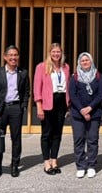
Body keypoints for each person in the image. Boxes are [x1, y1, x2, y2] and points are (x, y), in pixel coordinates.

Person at [0, 45, 30, 179]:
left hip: (16, 109)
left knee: (16, 139)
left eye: (15, 55)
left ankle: (14, 165)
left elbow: (26, 92)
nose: (13, 57)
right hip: (1, 110)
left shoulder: (23, 73)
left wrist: (23, 106)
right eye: (10, 55)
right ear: (5, 57)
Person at [33, 43, 70, 175]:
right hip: (48, 103)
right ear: (49, 53)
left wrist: (68, 105)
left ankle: (54, 160)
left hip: (61, 103)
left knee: (57, 133)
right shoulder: (42, 67)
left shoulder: (66, 67)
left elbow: (67, 86)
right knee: (46, 133)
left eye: (58, 52)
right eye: (53, 52)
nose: (56, 54)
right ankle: (46, 162)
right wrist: (39, 107)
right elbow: (37, 88)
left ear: (61, 53)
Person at [69, 52, 102, 179]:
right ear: (79, 62)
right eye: (82, 60)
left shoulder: (98, 76)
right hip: (77, 114)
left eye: (87, 60)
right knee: (78, 139)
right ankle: (80, 166)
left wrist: (89, 108)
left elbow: (101, 95)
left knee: (92, 140)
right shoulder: (74, 77)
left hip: (94, 113)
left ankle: (91, 165)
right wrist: (82, 110)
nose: (85, 62)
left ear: (91, 61)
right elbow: (72, 95)